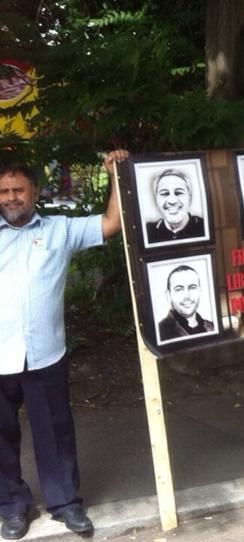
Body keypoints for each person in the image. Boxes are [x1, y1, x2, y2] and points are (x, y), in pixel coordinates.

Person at [0, 151, 127, 539]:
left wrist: (117, 175)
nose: (10, 197)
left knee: (55, 432)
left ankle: (65, 504)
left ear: (34, 191)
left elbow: (110, 224)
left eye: (18, 189)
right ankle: (12, 506)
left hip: (45, 354)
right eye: (3, 191)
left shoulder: (59, 229)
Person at [146, 169, 205, 243]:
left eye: (178, 193)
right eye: (164, 193)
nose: (172, 201)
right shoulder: (148, 232)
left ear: (189, 197)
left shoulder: (204, 227)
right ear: (156, 199)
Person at [157, 265, 214, 341]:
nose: (187, 296)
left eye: (192, 287)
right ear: (168, 295)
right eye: (179, 289)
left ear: (200, 291)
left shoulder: (213, 327)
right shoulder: (159, 332)